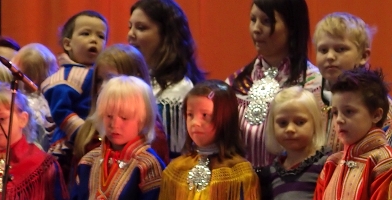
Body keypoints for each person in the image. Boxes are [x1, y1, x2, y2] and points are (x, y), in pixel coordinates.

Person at [226, 0, 322, 168]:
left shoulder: (314, 84)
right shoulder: (235, 83)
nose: (256, 29)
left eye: (266, 21)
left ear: (291, 27)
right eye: (253, 19)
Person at [312, 12, 392, 153]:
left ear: (363, 56)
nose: (330, 56)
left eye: (340, 49)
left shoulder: (377, 102)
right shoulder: (310, 100)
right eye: (323, 50)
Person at [128, 0, 206, 159]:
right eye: (130, 27)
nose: (131, 34)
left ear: (166, 36)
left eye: (141, 28)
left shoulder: (178, 91)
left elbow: (173, 157)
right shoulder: (131, 80)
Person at [161, 80, 259, 199]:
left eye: (205, 115)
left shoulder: (240, 173)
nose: (195, 123)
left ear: (225, 119)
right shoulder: (176, 169)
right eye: (190, 115)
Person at [72, 76, 165, 199]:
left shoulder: (148, 166)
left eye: (124, 118)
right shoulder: (89, 160)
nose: (114, 125)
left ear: (144, 120)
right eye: (109, 116)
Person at [314, 68, 392, 200]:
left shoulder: (386, 163)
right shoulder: (332, 163)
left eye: (349, 111)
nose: (339, 120)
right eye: (335, 112)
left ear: (376, 115)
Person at [43, 10, 108, 181]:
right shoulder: (67, 76)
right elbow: (60, 110)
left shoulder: (97, 74)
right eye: (86, 34)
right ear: (67, 44)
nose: (94, 40)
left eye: (101, 36)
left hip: (95, 140)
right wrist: (84, 134)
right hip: (71, 144)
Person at [258, 86, 328, 199]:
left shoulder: (327, 163)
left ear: (315, 124)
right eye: (282, 123)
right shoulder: (272, 173)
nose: (290, 129)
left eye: (300, 122)